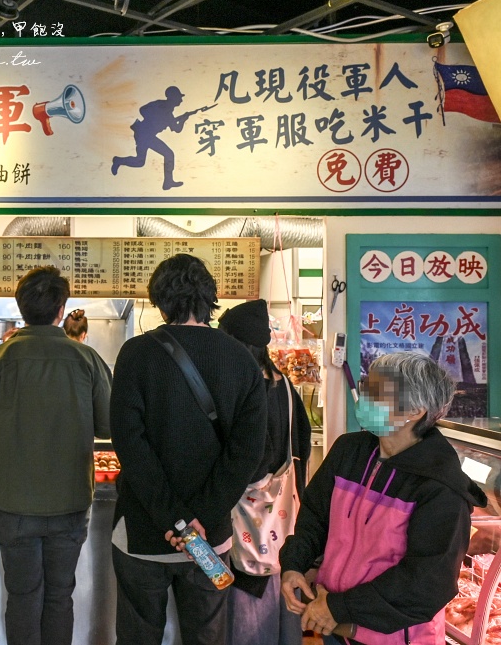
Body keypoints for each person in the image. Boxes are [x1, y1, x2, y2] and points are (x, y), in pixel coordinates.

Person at [109, 253, 267, 645]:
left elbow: (130, 444)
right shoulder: (241, 361)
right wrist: (198, 521)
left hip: (145, 535)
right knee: (207, 636)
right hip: (208, 539)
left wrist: (173, 520)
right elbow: (247, 452)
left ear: (159, 301)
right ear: (209, 298)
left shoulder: (135, 354)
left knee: (138, 635)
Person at [279, 351, 487, 644]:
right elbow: (315, 515)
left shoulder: (440, 486)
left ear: (414, 411)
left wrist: (339, 607)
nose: (365, 398)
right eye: (367, 387)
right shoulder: (349, 450)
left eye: (378, 393)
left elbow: (426, 580)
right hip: (333, 624)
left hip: (394, 637)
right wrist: (293, 564)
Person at [0, 266, 111, 645]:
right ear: (61, 309)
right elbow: (109, 427)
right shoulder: (88, 359)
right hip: (69, 501)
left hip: (13, 504)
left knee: (22, 597)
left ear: (20, 307)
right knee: (59, 596)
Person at [216, 299, 312, 645]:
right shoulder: (284, 384)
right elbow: (298, 448)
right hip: (281, 521)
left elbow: (253, 459)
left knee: (246, 615)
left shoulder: (243, 388)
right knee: (281, 610)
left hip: (244, 522)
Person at [110, 86, 203, 190]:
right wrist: (155, 118)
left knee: (141, 161)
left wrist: (183, 119)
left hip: (148, 136)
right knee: (166, 154)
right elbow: (142, 110)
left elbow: (176, 129)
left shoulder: (169, 114)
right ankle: (168, 181)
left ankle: (119, 160)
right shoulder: (160, 105)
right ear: (173, 97)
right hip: (143, 133)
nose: (181, 100)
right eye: (179, 97)